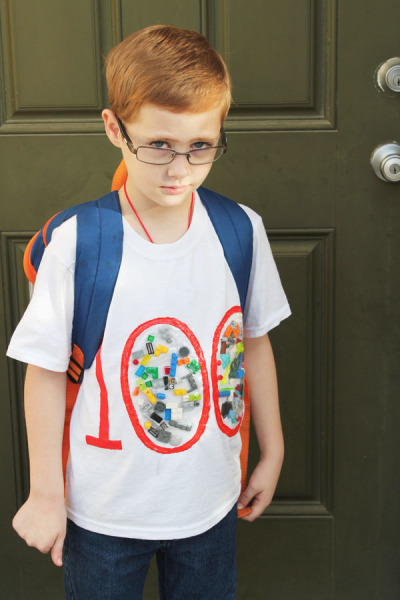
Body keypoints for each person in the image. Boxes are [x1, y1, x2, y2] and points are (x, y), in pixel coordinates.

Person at [7, 25, 291, 600]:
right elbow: (43, 369)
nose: (180, 169)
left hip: (210, 504)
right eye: (158, 144)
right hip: (101, 513)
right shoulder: (79, 242)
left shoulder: (240, 230)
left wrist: (274, 447)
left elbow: (253, 341)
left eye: (201, 146)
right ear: (115, 128)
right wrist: (45, 493)